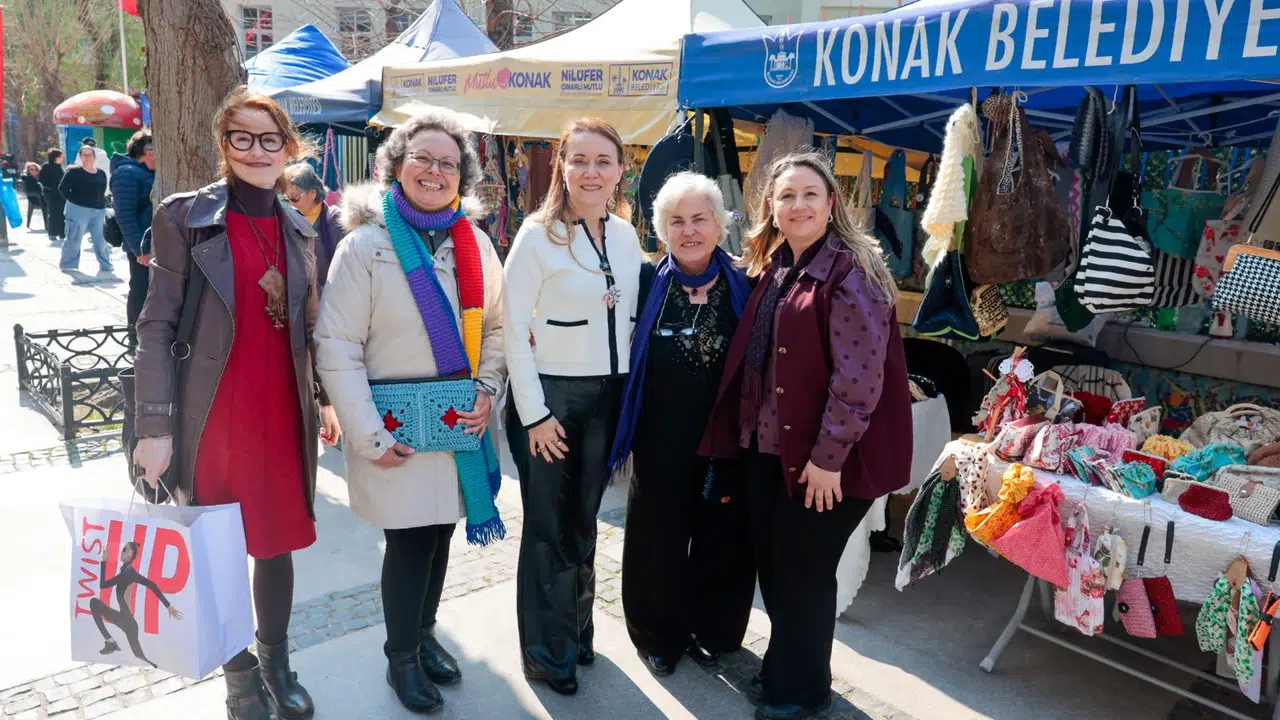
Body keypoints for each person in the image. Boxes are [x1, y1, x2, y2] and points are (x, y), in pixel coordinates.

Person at [131, 86, 341, 720]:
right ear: (224, 145)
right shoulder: (184, 218)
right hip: (212, 414)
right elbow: (156, 326)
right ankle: (239, 676)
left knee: (275, 546)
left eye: (269, 138)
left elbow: (309, 325)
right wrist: (154, 427)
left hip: (280, 411)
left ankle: (277, 664)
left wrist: (324, 398)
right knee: (218, 551)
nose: (257, 150)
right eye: (241, 137)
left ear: (288, 148)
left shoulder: (301, 227)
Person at [699, 150, 913, 720]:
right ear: (770, 206)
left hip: (826, 459)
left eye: (810, 194)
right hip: (771, 448)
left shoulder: (851, 271)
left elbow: (859, 380)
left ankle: (798, 693)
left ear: (831, 203)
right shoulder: (778, 266)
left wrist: (827, 458)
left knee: (803, 572)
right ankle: (789, 670)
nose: (798, 205)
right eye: (787, 195)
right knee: (778, 567)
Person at [315, 111, 507, 715]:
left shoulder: (475, 244)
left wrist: (488, 388)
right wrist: (368, 434)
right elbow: (337, 346)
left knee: (441, 531)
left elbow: (498, 326)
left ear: (462, 176)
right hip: (392, 427)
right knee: (409, 542)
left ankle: (423, 637)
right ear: (395, 165)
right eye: (422, 157)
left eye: (448, 162)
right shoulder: (364, 247)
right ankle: (400, 657)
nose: (434, 170)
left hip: (456, 424)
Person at [503, 117, 645, 695]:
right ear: (562, 166)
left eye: (603, 161)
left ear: (620, 170)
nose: (591, 171)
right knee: (548, 527)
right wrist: (535, 414)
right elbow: (512, 330)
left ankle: (576, 632)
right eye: (579, 159)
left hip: (608, 396)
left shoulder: (627, 235)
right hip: (552, 396)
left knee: (583, 523)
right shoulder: (536, 236)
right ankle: (546, 653)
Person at [609, 171, 756, 677]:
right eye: (677, 221)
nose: (689, 230)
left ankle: (713, 631)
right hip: (660, 438)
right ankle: (657, 634)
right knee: (658, 539)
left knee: (723, 538)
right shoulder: (644, 282)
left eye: (699, 219)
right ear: (661, 229)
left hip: (726, 438)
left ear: (719, 225)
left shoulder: (747, 283)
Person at [89, 541, 182, 669]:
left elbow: (151, 585)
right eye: (122, 549)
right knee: (94, 603)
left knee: (138, 655)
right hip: (122, 618)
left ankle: (159, 665)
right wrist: (104, 562)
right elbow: (103, 585)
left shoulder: (129, 572)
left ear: (130, 554)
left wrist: (168, 606)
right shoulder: (124, 572)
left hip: (129, 624)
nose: (121, 552)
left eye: (125, 550)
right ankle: (110, 641)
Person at [110, 130, 155, 351]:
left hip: (154, 242)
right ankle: (135, 339)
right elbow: (124, 215)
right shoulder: (126, 173)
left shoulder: (144, 172)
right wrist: (140, 249)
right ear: (148, 153)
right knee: (140, 289)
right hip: (141, 246)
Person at [283, 163, 342, 294]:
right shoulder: (287, 220)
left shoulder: (335, 221)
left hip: (328, 298)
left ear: (313, 193)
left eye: (294, 198)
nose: (290, 204)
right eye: (286, 199)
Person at [58, 145, 111, 275]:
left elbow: (102, 190)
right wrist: (76, 200)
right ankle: (68, 264)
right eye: (84, 154)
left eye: (90, 154)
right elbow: (62, 189)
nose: (87, 157)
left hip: (98, 211)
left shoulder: (101, 173)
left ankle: (106, 264)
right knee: (74, 237)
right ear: (80, 157)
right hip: (78, 210)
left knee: (100, 239)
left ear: (94, 157)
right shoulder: (74, 172)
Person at [39, 149, 66, 241]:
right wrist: (50, 187)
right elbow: (42, 179)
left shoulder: (59, 166)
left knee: (62, 213)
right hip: (51, 194)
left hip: (60, 193)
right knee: (54, 213)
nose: (62, 158)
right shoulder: (47, 166)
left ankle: (62, 233)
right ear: (56, 157)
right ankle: (52, 233)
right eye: (61, 156)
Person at [20, 162, 45, 230]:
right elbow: (27, 191)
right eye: (32, 169)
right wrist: (41, 191)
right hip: (35, 200)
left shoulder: (40, 177)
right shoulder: (27, 178)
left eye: (36, 169)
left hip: (43, 198)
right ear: (28, 170)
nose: (34, 171)